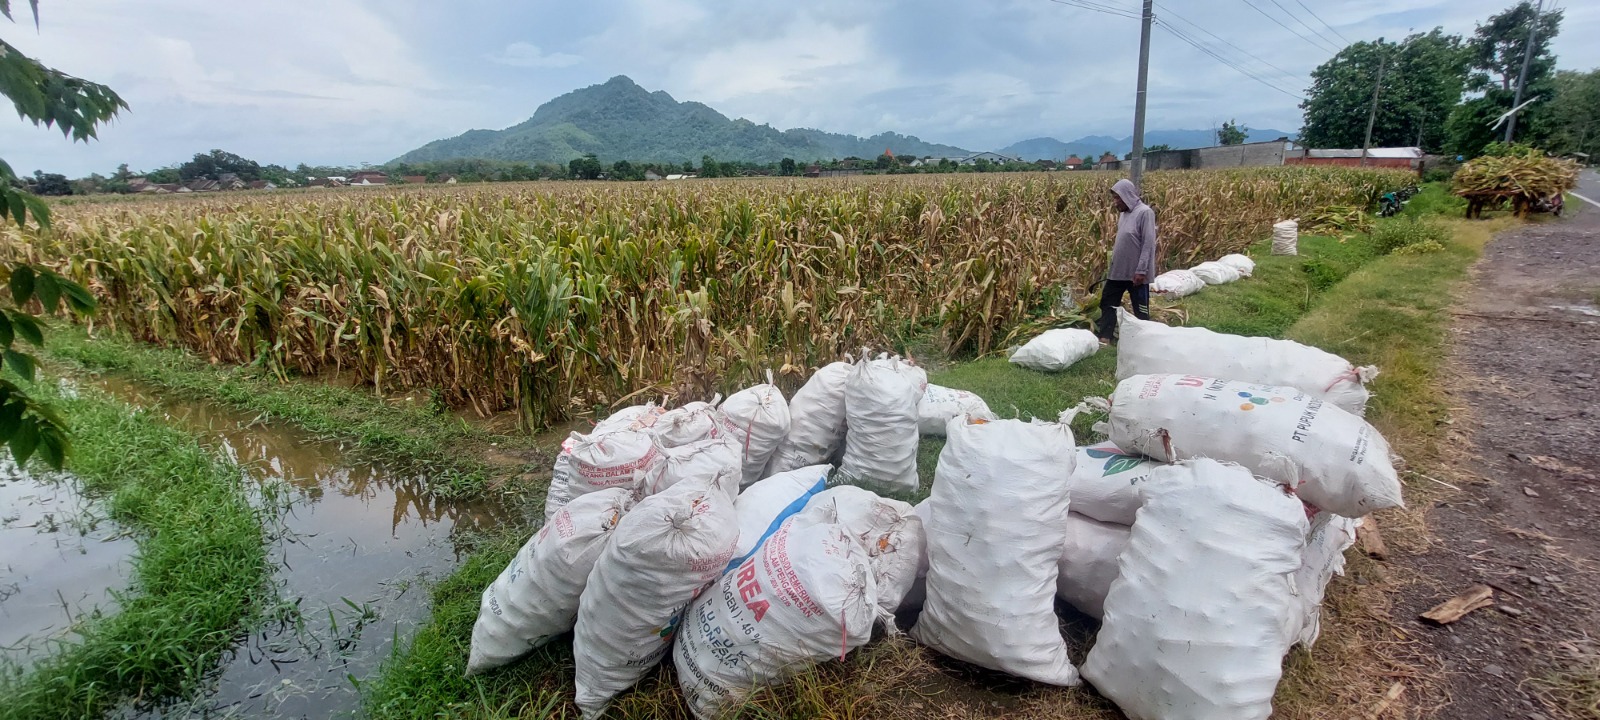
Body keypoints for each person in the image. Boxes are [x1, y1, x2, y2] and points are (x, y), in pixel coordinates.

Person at [1096, 178, 1158, 343]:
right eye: (1114, 198)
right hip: (1119, 271)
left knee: (1140, 308)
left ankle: (1145, 339)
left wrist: (1141, 270)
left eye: (1118, 198)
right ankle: (1105, 337)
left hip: (1137, 273)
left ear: (1128, 195)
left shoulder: (1145, 213)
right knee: (1108, 302)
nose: (1115, 202)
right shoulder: (1124, 214)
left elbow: (1148, 244)